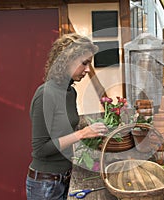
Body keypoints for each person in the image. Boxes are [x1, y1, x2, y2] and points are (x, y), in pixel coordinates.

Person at [26, 33, 108, 200]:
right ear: (66, 61)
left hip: (65, 178)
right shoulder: (46, 94)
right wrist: (82, 133)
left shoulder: (70, 92)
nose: (87, 70)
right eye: (84, 63)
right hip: (45, 185)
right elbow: (41, 149)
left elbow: (64, 130)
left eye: (89, 64)